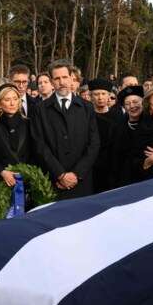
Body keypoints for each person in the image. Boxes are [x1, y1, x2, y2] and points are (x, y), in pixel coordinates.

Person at [31, 60, 99, 200]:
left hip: (82, 180)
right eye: (57, 78)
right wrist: (60, 174)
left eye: (65, 77)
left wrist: (76, 174)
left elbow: (94, 143)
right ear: (51, 81)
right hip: (53, 181)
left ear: (71, 78)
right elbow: (39, 145)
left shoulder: (87, 107)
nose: (61, 82)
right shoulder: (40, 109)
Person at [0, 84, 34, 186]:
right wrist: (2, 172)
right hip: (1, 182)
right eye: (7, 100)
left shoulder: (28, 123)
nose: (12, 103)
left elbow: (35, 151)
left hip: (26, 180)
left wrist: (26, 172)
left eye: (15, 99)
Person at [89, 78, 121, 193]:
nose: (100, 97)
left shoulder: (118, 117)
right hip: (91, 168)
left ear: (109, 96)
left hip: (113, 167)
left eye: (103, 94)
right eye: (96, 94)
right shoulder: (87, 117)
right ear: (91, 97)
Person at [112, 85, 144, 187]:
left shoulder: (151, 124)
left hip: (145, 178)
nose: (132, 106)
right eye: (127, 104)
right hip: (123, 179)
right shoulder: (117, 127)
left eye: (135, 102)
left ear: (143, 102)